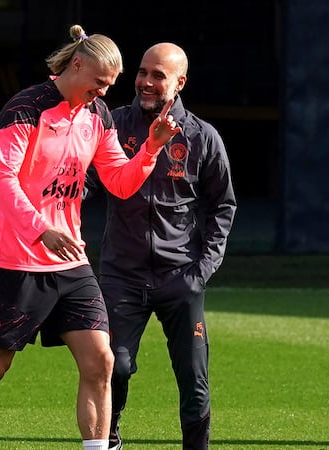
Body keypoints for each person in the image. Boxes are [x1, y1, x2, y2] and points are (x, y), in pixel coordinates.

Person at [0, 26, 182, 450]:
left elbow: (120, 183)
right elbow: (3, 179)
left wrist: (151, 149)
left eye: (109, 87)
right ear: (77, 65)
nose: (104, 94)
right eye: (99, 84)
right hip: (17, 261)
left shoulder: (97, 117)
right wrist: (41, 230)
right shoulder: (26, 108)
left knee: (101, 361)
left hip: (71, 262)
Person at [99, 43, 237, 450]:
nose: (146, 82)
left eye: (158, 75)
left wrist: (201, 272)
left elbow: (223, 206)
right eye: (142, 72)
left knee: (194, 382)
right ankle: (108, 438)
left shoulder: (202, 136)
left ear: (180, 82)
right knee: (114, 367)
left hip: (181, 277)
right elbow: (83, 180)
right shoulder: (112, 125)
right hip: (122, 276)